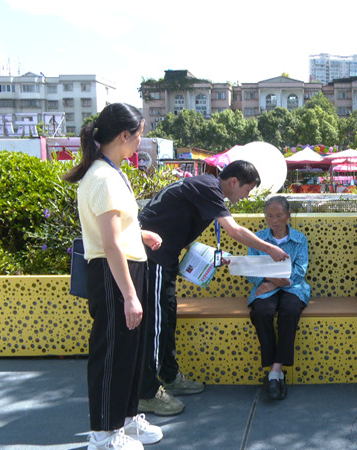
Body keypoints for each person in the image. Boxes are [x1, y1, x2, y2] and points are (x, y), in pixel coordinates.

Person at [136, 160, 289, 416]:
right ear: (234, 182)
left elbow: (179, 229)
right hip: (152, 258)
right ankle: (146, 392)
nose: (246, 196)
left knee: (168, 319)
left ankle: (170, 376)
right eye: (247, 190)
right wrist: (269, 248)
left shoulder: (204, 189)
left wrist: (213, 256)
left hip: (165, 259)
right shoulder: (209, 187)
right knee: (155, 324)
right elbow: (234, 230)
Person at [64, 103, 163, 450]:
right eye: (139, 136)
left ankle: (126, 419)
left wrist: (140, 234)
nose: (139, 143)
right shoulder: (104, 177)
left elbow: (117, 229)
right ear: (124, 135)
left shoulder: (111, 172)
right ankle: (104, 434)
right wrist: (130, 296)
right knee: (111, 354)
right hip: (113, 273)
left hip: (126, 267)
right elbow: (109, 243)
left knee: (130, 352)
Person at [245, 196, 311, 400]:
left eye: (279, 215)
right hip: (264, 285)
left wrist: (274, 282)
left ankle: (275, 370)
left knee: (290, 310)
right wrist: (268, 280)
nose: (274, 220)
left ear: (288, 215)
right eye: (270, 216)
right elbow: (250, 270)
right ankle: (276, 371)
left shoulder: (299, 239)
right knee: (261, 312)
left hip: (293, 286)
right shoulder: (258, 239)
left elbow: (300, 270)